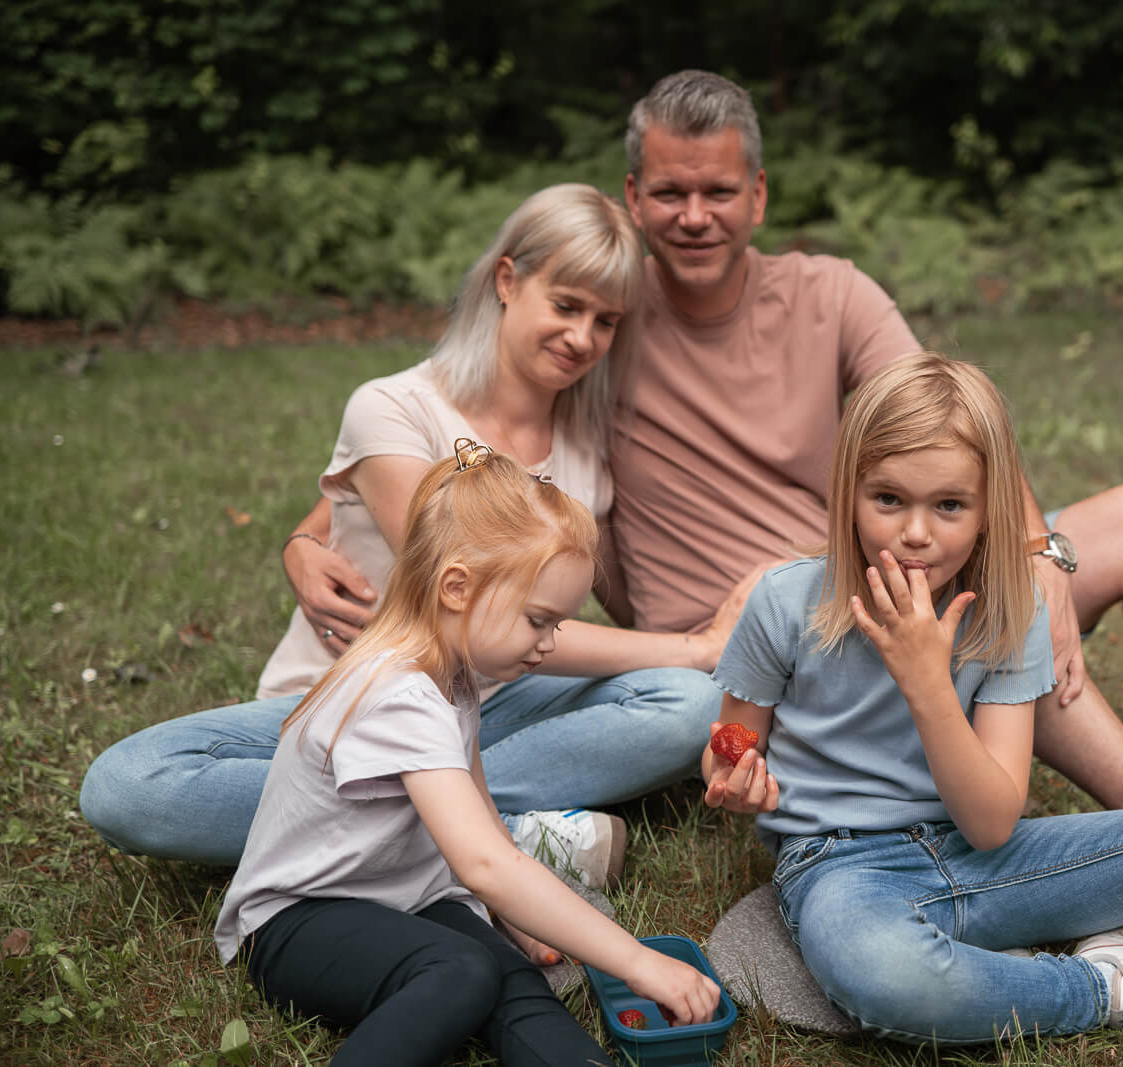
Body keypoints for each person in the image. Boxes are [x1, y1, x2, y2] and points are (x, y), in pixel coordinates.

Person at [282, 72, 1123, 958]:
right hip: (768, 638)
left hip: (905, 558)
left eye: (718, 191)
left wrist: (1034, 551)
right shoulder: (604, 326)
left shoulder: (827, 295)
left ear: (758, 195)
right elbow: (455, 433)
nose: (693, 217)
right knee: (992, 645)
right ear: (633, 196)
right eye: (667, 193)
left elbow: (955, 425)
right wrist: (312, 527)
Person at [81, 184, 747, 887]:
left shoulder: (585, 444)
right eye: (566, 305)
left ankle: (415, 832)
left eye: (605, 320)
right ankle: (499, 834)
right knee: (127, 783)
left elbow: (572, 614)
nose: (582, 337)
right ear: (507, 279)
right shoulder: (393, 409)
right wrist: (696, 646)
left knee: (686, 702)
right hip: (356, 704)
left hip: (500, 706)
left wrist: (736, 636)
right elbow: (478, 608)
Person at [703, 354, 1123, 1064]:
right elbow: (732, 739)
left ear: (988, 508)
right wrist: (734, 772)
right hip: (840, 869)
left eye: (949, 505)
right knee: (886, 976)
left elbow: (992, 818)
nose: (916, 532)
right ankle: (1112, 987)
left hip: (985, 853)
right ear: (846, 492)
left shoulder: (1013, 608)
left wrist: (928, 681)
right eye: (888, 499)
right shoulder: (786, 601)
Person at [215, 442, 721, 1066]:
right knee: (461, 970)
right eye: (539, 620)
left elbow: (485, 836)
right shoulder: (399, 691)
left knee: (511, 978)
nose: (548, 644)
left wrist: (517, 918)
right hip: (298, 922)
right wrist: (638, 962)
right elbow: (485, 867)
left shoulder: (452, 676)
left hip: (409, 900)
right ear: (457, 586)